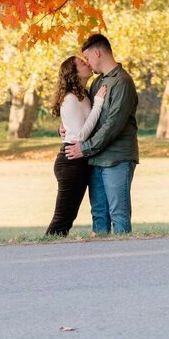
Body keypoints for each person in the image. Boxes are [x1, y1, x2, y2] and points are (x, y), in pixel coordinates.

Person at [65, 32, 139, 235]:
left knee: (118, 215)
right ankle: (100, 254)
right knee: (99, 215)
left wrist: (85, 148)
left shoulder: (123, 82)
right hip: (96, 159)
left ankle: (123, 254)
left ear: (97, 53)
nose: (87, 63)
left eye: (87, 57)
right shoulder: (97, 83)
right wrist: (65, 126)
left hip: (117, 159)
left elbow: (113, 125)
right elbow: (88, 116)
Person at [45, 55, 106, 237]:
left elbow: (74, 123)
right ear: (74, 73)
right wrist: (98, 104)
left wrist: (62, 127)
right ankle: (46, 248)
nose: (87, 63)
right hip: (71, 160)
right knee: (63, 218)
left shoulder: (84, 94)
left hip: (81, 160)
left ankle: (53, 248)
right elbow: (80, 135)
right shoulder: (70, 98)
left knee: (68, 217)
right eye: (82, 63)